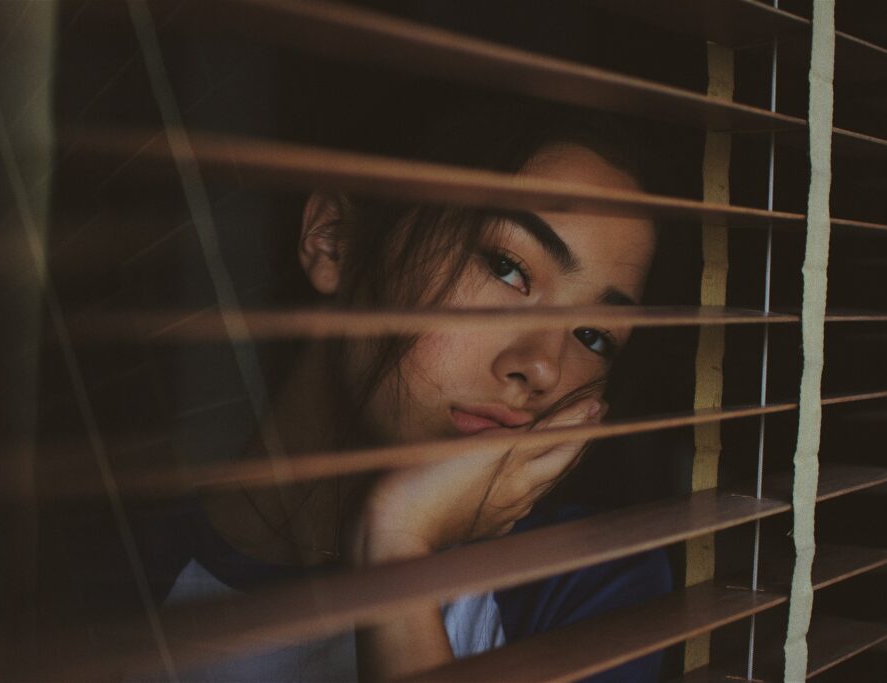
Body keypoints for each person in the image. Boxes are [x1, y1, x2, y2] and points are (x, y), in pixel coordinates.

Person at [147, 102, 673, 682]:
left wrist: (396, 544)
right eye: (506, 267)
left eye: (594, 336)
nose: (544, 368)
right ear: (334, 241)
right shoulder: (118, 572)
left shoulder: (584, 584)